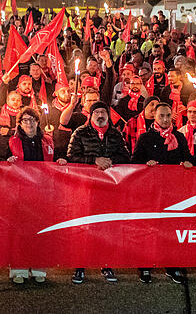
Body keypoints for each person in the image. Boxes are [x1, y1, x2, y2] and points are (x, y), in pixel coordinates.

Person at [67, 100, 131, 284]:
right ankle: (80, 266)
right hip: (85, 188)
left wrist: (110, 160)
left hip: (109, 189)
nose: (100, 115)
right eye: (97, 112)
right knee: (83, 227)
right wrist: (94, 160)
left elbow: (126, 156)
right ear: (91, 115)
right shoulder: (80, 133)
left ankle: (106, 264)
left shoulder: (115, 134)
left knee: (106, 227)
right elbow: (71, 156)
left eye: (103, 112)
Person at [130, 103, 192, 283]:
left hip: (173, 192)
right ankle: (145, 266)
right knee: (148, 229)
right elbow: (134, 162)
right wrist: (145, 165)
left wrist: (188, 163)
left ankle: (171, 266)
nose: (165, 119)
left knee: (170, 229)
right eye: (161, 116)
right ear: (154, 117)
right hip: (150, 192)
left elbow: (188, 158)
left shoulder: (179, 137)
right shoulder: (145, 138)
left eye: (168, 116)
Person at [7, 107, 66, 284]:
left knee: (41, 230)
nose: (29, 123)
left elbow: (55, 159)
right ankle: (19, 270)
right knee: (21, 231)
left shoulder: (48, 140)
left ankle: (39, 268)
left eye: (32, 120)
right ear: (19, 124)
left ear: (38, 122)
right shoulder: (12, 142)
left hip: (43, 192)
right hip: (21, 192)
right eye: (25, 120)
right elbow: (2, 161)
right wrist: (9, 161)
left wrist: (60, 161)